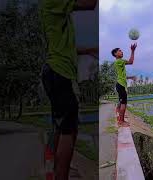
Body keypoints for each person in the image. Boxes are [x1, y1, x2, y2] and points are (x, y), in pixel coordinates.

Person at [40, 0, 97, 179]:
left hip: (56, 73)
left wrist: (88, 50)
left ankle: (54, 171)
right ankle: (60, 174)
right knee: (69, 129)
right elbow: (90, 3)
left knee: (62, 125)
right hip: (59, 72)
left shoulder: (59, 12)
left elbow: (66, 48)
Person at [112, 44, 137, 127]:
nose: (121, 52)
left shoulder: (119, 62)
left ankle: (119, 116)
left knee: (120, 101)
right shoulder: (119, 61)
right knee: (124, 103)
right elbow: (131, 62)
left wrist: (130, 77)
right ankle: (121, 121)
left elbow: (122, 76)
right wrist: (133, 50)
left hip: (120, 84)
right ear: (115, 54)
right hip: (121, 85)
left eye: (121, 51)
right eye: (119, 51)